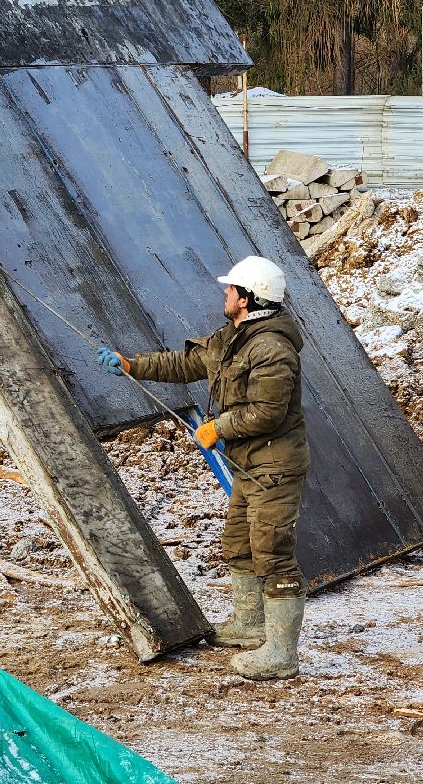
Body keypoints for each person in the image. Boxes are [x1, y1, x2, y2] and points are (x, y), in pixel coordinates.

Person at [97, 255, 309, 681]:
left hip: (274, 467)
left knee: (272, 554)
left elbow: (268, 411)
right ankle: (251, 627)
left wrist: (219, 426)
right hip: (250, 464)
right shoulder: (234, 337)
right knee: (238, 544)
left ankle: (282, 654)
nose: (225, 294)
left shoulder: (272, 350)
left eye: (230, 289)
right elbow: (185, 364)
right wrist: (132, 364)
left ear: (248, 298)